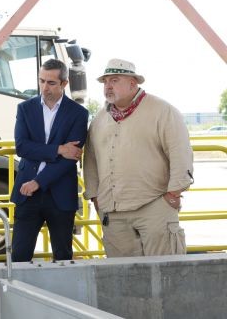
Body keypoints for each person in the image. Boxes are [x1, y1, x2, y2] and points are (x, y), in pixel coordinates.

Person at [83, 58, 193, 257]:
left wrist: (173, 195)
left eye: (114, 80)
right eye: (105, 82)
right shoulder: (99, 120)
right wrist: (96, 198)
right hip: (113, 213)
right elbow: (90, 161)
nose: (108, 86)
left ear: (132, 83)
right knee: (122, 273)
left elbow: (180, 153)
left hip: (155, 206)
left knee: (164, 270)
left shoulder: (163, 111)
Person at [10, 59, 89, 262]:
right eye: (41, 81)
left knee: (63, 257)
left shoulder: (79, 113)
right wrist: (59, 149)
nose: (45, 87)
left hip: (60, 193)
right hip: (27, 194)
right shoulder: (25, 108)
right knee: (19, 257)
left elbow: (70, 159)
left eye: (51, 83)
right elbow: (22, 147)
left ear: (64, 83)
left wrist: (38, 182)